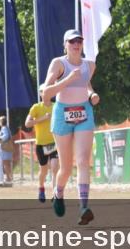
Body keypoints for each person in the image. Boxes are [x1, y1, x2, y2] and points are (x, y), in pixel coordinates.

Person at [42, 29, 100, 225]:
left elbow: (86, 84)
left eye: (79, 41)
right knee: (65, 168)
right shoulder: (58, 63)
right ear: (65, 45)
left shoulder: (90, 65)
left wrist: (92, 94)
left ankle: (84, 207)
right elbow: (46, 93)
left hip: (84, 112)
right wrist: (67, 80)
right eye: (72, 41)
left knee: (83, 161)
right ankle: (58, 193)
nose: (76, 44)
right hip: (62, 114)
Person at [25, 86, 58, 203]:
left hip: (54, 142)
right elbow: (27, 123)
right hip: (41, 144)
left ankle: (55, 194)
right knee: (44, 170)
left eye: (48, 91)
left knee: (55, 167)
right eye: (43, 92)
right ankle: (41, 188)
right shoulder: (36, 107)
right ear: (40, 94)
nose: (46, 93)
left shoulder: (56, 106)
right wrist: (43, 118)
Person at [0, 115, 14, 185]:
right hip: (7, 148)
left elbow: (6, 136)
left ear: (1, 122)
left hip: (5, 148)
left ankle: (8, 178)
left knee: (5, 163)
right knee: (7, 163)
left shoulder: (4, 128)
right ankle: (9, 177)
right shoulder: (6, 128)